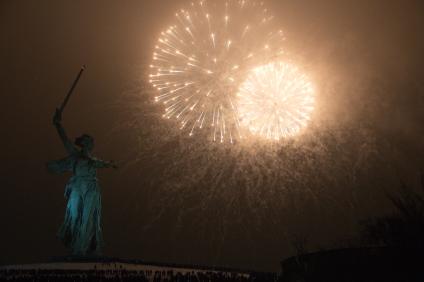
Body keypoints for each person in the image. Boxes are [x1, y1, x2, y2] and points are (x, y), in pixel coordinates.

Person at [47, 109, 116, 256]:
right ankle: (76, 247)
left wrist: (109, 164)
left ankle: (82, 249)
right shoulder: (75, 154)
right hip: (78, 187)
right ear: (84, 143)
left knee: (88, 218)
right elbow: (65, 140)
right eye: (88, 141)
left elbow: (101, 163)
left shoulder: (93, 161)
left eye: (91, 142)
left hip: (91, 188)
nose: (90, 144)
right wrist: (58, 124)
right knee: (73, 216)